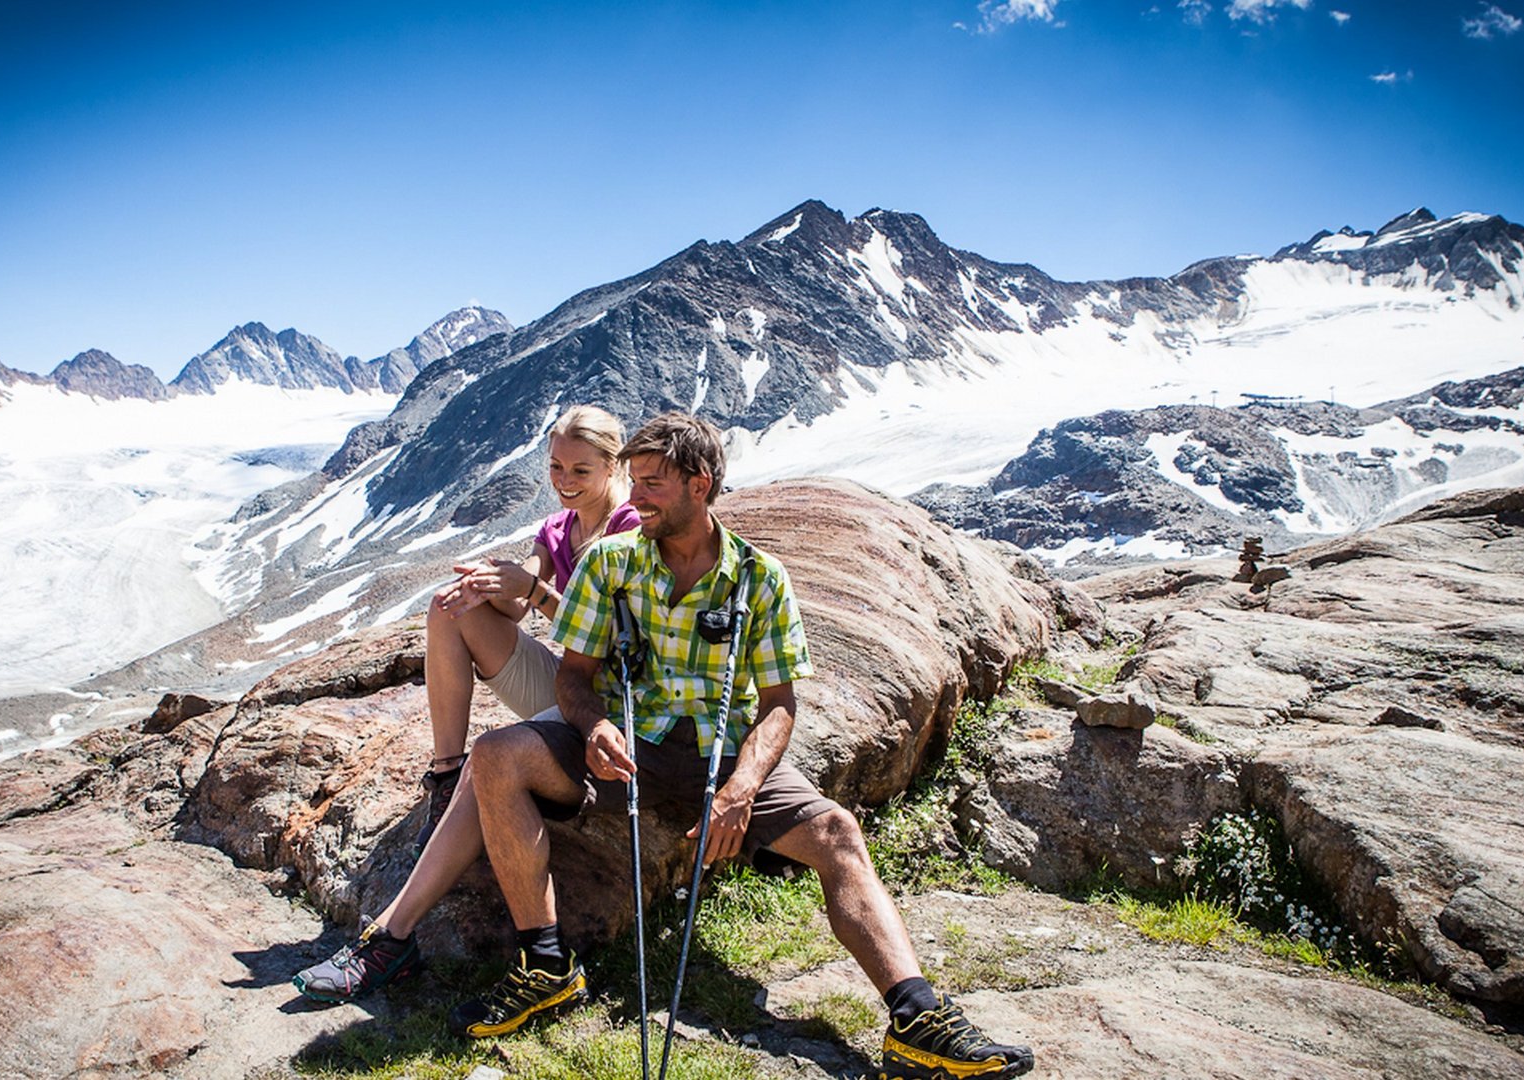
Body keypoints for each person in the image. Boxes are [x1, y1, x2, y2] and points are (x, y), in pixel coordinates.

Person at [452, 413, 1035, 1079]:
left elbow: (779, 704)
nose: (633, 498)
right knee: (497, 754)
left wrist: (740, 789)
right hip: (623, 747)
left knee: (838, 835)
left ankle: (916, 1019)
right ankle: (547, 966)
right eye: (633, 481)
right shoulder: (609, 564)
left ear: (700, 485)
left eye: (652, 485)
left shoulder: (761, 579)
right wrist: (593, 727)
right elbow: (574, 676)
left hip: (719, 759)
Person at [291, 404, 639, 1003]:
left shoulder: (629, 527)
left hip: (604, 701)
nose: (564, 480)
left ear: (613, 466)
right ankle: (447, 774)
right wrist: (492, 586)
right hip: (565, 686)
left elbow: (613, 637)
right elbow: (515, 608)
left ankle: (389, 941)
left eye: (581, 470)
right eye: (555, 466)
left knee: (495, 760)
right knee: (446, 608)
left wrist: (535, 592)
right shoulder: (559, 529)